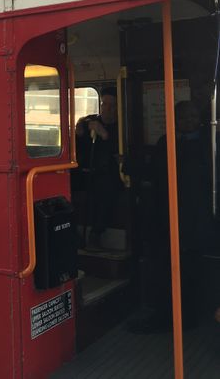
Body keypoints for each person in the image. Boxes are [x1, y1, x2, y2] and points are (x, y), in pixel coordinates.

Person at [129, 100, 213, 332]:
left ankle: (190, 319)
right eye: (183, 117)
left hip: (197, 218)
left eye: (192, 116)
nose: (188, 121)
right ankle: (166, 316)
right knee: (165, 269)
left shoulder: (209, 143)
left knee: (193, 270)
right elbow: (155, 176)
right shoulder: (165, 142)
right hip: (166, 216)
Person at [75, 86, 122, 250]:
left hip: (109, 174)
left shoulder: (122, 126)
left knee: (106, 189)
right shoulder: (90, 121)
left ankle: (96, 233)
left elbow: (119, 152)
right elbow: (78, 147)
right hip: (86, 171)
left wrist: (105, 135)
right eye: (104, 104)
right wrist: (78, 132)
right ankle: (74, 231)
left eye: (112, 105)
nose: (107, 109)